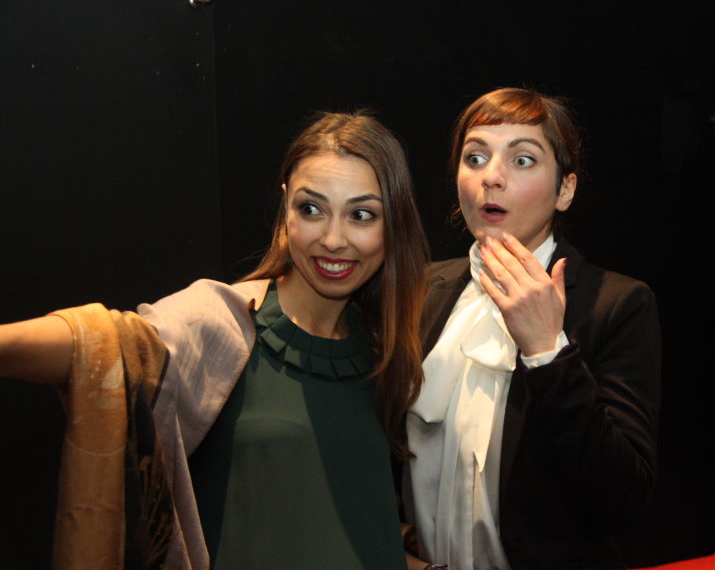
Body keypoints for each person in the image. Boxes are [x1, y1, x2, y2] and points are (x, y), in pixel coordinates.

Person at [0, 111, 428, 570]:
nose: (333, 238)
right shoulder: (222, 321)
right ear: (285, 207)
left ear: (393, 223)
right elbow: (103, 345)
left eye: (361, 215)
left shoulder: (387, 349)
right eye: (311, 209)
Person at [403, 88, 662, 570]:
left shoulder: (615, 304)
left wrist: (547, 351)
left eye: (522, 160)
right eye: (475, 157)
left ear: (565, 190)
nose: (491, 177)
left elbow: (622, 499)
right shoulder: (421, 291)